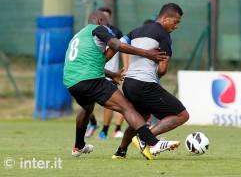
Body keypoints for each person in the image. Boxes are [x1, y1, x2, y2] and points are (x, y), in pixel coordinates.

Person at [63, 10, 180, 158]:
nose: (109, 27)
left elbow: (87, 63)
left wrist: (112, 75)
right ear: (99, 20)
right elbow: (116, 45)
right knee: (127, 107)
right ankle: (153, 142)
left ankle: (78, 146)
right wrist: (147, 53)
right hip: (90, 80)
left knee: (87, 108)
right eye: (107, 22)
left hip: (71, 82)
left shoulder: (78, 36)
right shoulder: (98, 29)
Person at [112, 3, 189, 160]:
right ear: (166, 18)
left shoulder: (136, 31)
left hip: (128, 83)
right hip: (144, 83)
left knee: (141, 117)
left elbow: (119, 44)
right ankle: (145, 138)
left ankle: (121, 152)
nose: (177, 26)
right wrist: (156, 74)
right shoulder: (164, 35)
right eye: (176, 21)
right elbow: (162, 68)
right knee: (182, 115)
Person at [85, 7, 127, 139]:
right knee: (85, 100)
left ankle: (105, 130)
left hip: (110, 72)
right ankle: (92, 123)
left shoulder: (115, 32)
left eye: (107, 16)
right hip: (92, 71)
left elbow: (123, 48)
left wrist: (127, 66)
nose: (104, 18)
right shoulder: (90, 32)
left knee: (110, 103)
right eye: (102, 16)